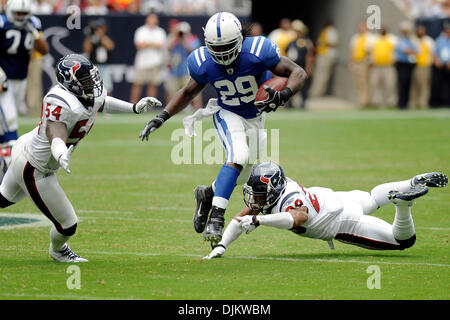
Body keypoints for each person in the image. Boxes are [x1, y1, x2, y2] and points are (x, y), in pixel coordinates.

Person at [139, 12, 307, 245]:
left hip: (256, 115)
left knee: (246, 174)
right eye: (216, 48)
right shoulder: (202, 61)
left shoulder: (258, 50)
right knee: (237, 155)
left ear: (239, 39)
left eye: (226, 46)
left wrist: (284, 94)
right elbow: (188, 92)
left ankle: (207, 194)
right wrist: (162, 117)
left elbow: (298, 72)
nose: (221, 53)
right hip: (227, 112)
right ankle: (216, 218)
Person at [0, 54, 161, 262]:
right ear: (70, 83)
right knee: (68, 224)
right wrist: (59, 153)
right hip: (35, 167)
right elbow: (55, 132)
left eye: (91, 78)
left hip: (28, 148)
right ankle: (58, 250)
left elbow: (102, 102)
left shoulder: (87, 94)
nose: (92, 83)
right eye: (85, 81)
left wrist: (134, 108)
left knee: (3, 199)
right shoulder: (60, 101)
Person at [203, 162, 448, 259]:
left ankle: (403, 205)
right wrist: (222, 246)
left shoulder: (289, 199)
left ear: (272, 188)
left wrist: (261, 221)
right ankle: (410, 181)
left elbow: (298, 217)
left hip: (342, 222)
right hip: (337, 198)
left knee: (403, 241)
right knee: (373, 198)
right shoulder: (275, 190)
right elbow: (240, 218)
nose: (254, 199)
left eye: (258, 193)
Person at [0, 0, 49, 165]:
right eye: (17, 14)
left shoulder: (33, 23)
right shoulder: (2, 22)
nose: (20, 17)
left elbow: (44, 50)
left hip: (20, 81)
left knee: (4, 125)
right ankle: (12, 163)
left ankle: (4, 162)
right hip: (3, 80)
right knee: (10, 121)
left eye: (23, 14)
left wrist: (35, 34)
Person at [130, 13, 167, 104]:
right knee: (138, 83)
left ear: (156, 20)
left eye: (154, 19)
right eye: (150, 19)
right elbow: (139, 45)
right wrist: (153, 44)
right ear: (147, 20)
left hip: (155, 62)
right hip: (141, 62)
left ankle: (150, 106)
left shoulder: (160, 31)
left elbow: (161, 45)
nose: (152, 21)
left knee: (153, 84)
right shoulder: (141, 30)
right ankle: (132, 104)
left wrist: (147, 44)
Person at [166, 21, 202, 109]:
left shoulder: (193, 39)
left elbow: (192, 50)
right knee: (172, 94)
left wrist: (183, 40)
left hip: (188, 71)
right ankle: (168, 114)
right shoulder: (174, 39)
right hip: (175, 71)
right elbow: (168, 48)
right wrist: (176, 38)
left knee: (194, 94)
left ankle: (198, 113)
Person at [285, 20, 314, 109]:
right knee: (291, 85)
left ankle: (303, 103)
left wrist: (309, 67)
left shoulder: (306, 42)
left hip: (302, 67)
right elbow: (287, 54)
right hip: (292, 67)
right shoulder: (291, 42)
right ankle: (290, 104)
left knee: (303, 86)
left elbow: (310, 55)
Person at [83, 18, 115, 94]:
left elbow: (110, 46)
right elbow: (86, 49)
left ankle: (108, 105)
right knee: (93, 89)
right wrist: (89, 36)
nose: (99, 30)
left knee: (107, 89)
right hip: (94, 66)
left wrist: (101, 36)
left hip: (105, 66)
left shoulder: (106, 36)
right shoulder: (92, 38)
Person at [309, 19, 339, 97]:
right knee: (319, 74)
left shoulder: (331, 31)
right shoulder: (325, 30)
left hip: (327, 55)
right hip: (322, 54)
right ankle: (315, 92)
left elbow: (334, 43)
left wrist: (323, 43)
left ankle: (318, 93)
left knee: (322, 75)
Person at [369, 26, 398, 108]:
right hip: (376, 65)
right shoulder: (374, 39)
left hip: (388, 66)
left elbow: (396, 51)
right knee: (375, 84)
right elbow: (369, 51)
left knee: (390, 84)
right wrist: (370, 62)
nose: (383, 30)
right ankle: (376, 102)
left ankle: (391, 102)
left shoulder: (392, 39)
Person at [348, 22, 374, 108]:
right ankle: (361, 100)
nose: (361, 28)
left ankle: (366, 101)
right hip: (357, 62)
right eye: (360, 27)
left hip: (365, 62)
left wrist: (370, 62)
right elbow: (352, 51)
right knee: (358, 82)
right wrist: (351, 63)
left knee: (366, 82)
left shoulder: (370, 37)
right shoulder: (355, 38)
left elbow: (371, 51)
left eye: (363, 27)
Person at [410, 25, 435, 109]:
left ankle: (423, 103)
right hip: (415, 65)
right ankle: (414, 103)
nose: (420, 32)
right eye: (419, 30)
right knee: (414, 85)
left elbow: (432, 53)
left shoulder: (428, 41)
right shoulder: (413, 40)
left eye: (422, 30)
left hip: (425, 66)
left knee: (424, 85)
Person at [395, 21, 418, 109]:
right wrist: (411, 51)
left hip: (409, 64)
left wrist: (411, 50)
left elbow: (417, 50)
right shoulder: (400, 40)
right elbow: (405, 50)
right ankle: (401, 103)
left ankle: (407, 102)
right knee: (402, 83)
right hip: (401, 64)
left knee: (408, 83)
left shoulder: (411, 40)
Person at [430, 23, 450, 107]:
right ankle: (436, 103)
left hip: (448, 65)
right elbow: (434, 52)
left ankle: (447, 103)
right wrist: (437, 60)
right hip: (439, 65)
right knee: (437, 84)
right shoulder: (439, 40)